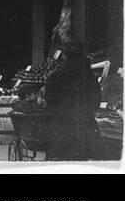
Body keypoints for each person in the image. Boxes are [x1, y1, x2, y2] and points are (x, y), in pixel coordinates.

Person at [42, 28, 101, 161]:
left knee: (61, 157)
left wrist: (56, 108)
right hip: (85, 122)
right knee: (83, 157)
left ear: (65, 55)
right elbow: (97, 96)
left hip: (62, 123)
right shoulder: (88, 74)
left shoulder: (59, 73)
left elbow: (50, 95)